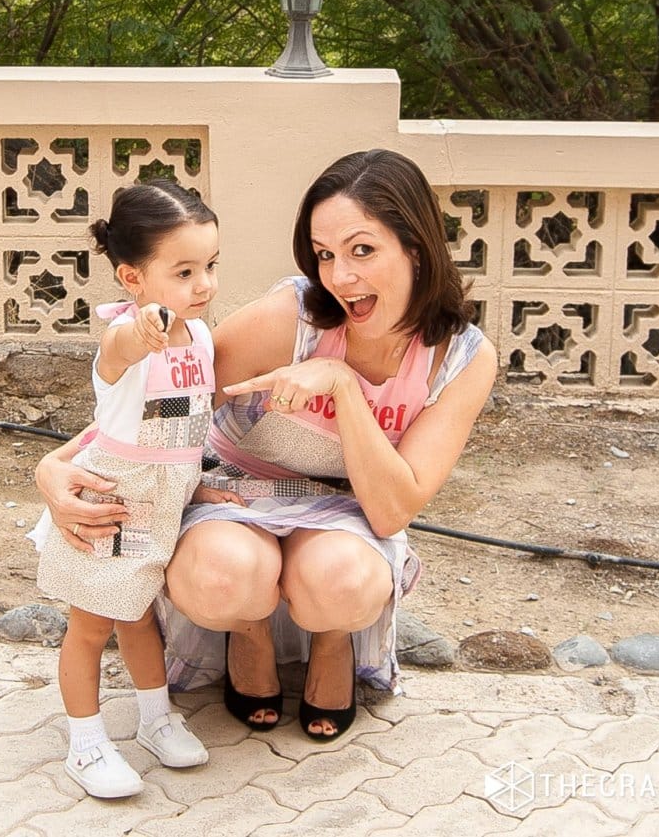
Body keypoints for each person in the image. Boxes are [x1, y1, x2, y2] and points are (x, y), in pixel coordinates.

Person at [36, 149, 496, 743]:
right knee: (221, 577)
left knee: (344, 583)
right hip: (235, 489)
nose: (340, 276)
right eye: (325, 254)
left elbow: (391, 509)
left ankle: (333, 641)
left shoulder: (461, 357)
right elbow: (165, 400)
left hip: (349, 508)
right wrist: (55, 463)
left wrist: (340, 386)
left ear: (416, 245)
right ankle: (247, 633)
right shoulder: (296, 316)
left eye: (362, 250)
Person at [30, 180, 243, 798]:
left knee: (141, 619)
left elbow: (182, 432)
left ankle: (154, 718)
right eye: (183, 271)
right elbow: (122, 351)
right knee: (91, 626)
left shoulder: (200, 337)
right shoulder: (122, 340)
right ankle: (86, 742)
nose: (203, 284)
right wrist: (144, 327)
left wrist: (195, 488)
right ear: (131, 278)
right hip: (113, 503)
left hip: (165, 501)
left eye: (209, 266)